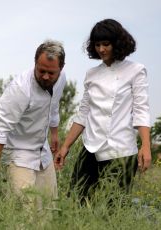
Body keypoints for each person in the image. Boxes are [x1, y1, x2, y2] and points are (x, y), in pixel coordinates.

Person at [54, 19, 151, 200]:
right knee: (75, 200)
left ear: (118, 42)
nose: (101, 49)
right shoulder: (92, 74)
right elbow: (83, 113)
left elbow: (141, 110)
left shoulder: (136, 70)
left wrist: (145, 146)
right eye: (97, 44)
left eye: (106, 44)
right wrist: (65, 146)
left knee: (114, 209)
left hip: (121, 151)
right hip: (90, 147)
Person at [0, 40, 66, 209]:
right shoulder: (20, 89)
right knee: (24, 214)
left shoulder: (61, 78)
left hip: (43, 152)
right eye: (41, 71)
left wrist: (54, 133)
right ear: (35, 63)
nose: (46, 76)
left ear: (60, 69)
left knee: (49, 209)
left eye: (51, 73)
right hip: (19, 155)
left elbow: (54, 105)